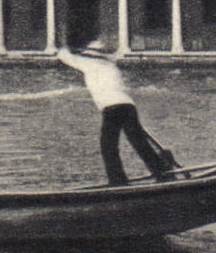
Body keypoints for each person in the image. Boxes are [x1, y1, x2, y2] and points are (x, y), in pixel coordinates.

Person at [57, 40, 177, 186]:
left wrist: (65, 46)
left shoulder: (87, 64)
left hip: (111, 108)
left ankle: (117, 181)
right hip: (128, 106)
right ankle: (161, 172)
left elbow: (63, 56)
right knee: (139, 142)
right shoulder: (111, 65)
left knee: (108, 147)